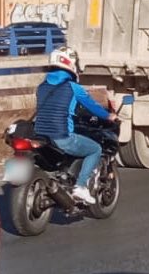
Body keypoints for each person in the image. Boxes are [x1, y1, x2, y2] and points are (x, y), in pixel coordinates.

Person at [33, 46, 120, 205]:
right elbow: (91, 106)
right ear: (71, 64)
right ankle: (80, 187)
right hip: (62, 136)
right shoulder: (74, 88)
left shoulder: (42, 86)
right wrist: (109, 115)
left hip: (40, 135)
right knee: (95, 149)